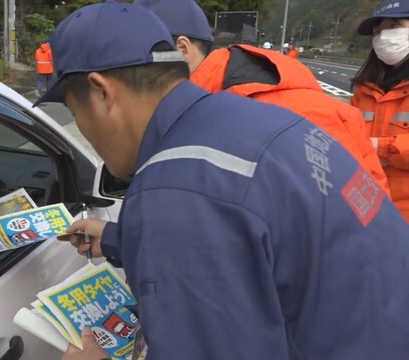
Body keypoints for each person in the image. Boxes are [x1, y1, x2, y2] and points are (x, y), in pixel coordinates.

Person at [35, 2, 409, 359]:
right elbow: (263, 237)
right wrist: (124, 238)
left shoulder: (175, 191)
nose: (80, 125)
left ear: (102, 92)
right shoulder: (255, 117)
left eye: (73, 108)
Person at [134, 0, 390, 195]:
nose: (132, 78)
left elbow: (351, 228)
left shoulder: (277, 112)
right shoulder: (208, 102)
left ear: (181, 50)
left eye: (139, 62)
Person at [351, 0, 409, 222]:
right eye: (378, 31)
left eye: (394, 27)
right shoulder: (364, 90)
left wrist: (381, 147)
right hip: (366, 210)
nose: (384, 37)